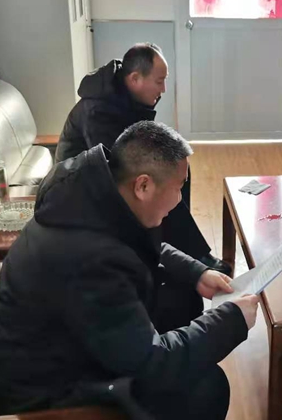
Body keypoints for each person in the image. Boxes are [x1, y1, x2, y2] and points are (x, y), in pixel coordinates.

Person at [0, 121, 260, 420]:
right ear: (143, 185)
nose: (179, 200)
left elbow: (138, 243)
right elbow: (151, 364)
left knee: (181, 299)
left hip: (60, 349)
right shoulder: (91, 263)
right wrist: (231, 319)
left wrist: (196, 272)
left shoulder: (88, 196)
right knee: (207, 388)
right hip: (46, 398)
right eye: (179, 188)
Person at [57, 43, 231, 276]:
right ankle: (187, 254)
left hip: (111, 167)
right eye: (159, 81)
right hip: (83, 184)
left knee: (178, 170)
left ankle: (183, 247)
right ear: (135, 78)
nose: (164, 89)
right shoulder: (98, 110)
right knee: (160, 180)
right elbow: (116, 163)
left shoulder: (123, 92)